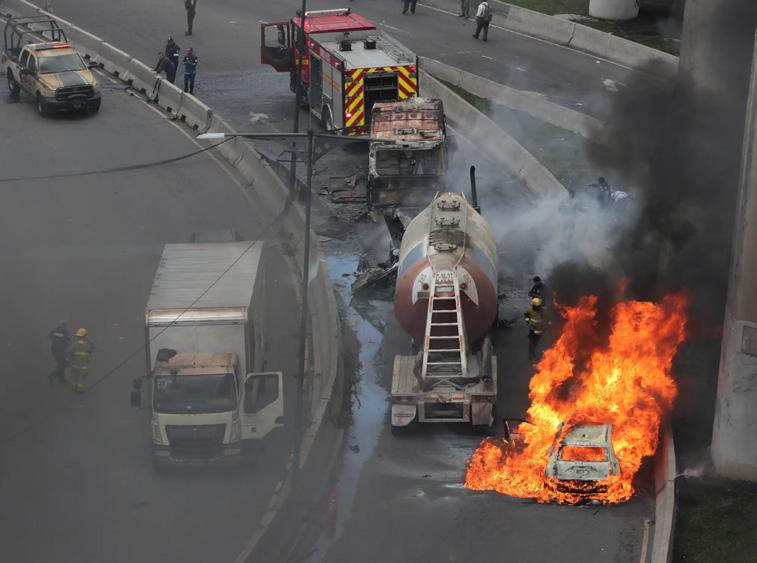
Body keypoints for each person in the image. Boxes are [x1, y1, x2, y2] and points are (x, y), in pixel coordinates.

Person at [69, 328, 94, 393]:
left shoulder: (74, 343)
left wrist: (68, 359)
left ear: (78, 336)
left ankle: (74, 387)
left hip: (75, 364)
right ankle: (79, 390)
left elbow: (70, 353)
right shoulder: (88, 344)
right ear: (85, 335)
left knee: (75, 376)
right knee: (82, 377)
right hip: (83, 365)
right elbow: (91, 350)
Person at [524, 297, 544, 362]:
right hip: (532, 329)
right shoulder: (530, 310)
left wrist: (548, 322)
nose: (536, 308)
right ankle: (530, 355)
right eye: (535, 306)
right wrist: (527, 320)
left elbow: (546, 317)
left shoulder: (542, 311)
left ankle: (533, 353)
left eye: (537, 306)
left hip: (539, 330)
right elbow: (526, 316)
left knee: (535, 343)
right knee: (532, 343)